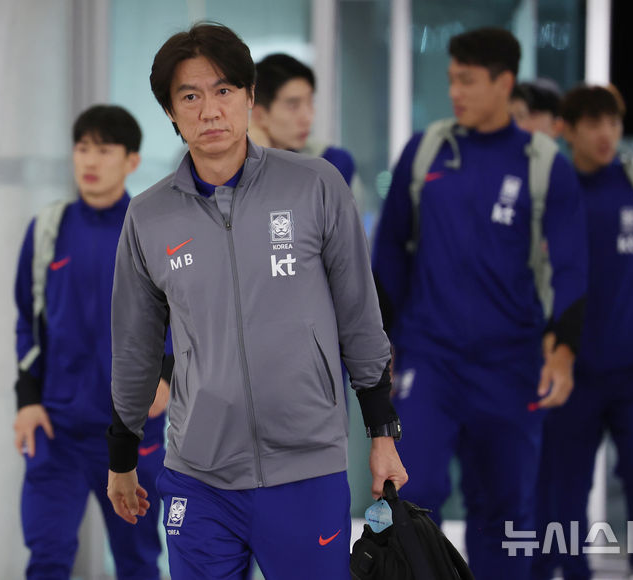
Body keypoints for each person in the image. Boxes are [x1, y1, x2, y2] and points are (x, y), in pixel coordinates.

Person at [105, 23, 407, 580]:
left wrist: (382, 433)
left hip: (305, 469)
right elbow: (134, 347)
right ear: (171, 113)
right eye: (189, 96)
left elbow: (360, 317)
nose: (209, 110)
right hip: (198, 474)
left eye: (223, 91)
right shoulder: (148, 217)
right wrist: (122, 456)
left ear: (249, 97)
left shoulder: (316, 185)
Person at [371, 28, 587, 580]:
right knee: (412, 491)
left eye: (467, 80)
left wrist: (562, 348)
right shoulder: (426, 152)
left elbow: (570, 265)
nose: (455, 92)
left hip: (511, 366)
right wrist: (383, 340)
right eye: (451, 79)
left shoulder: (544, 166)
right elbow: (390, 251)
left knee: (506, 510)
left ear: (503, 82)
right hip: (430, 356)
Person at [13, 105, 171, 579]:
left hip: (133, 432)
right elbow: (28, 319)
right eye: (83, 148)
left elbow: (189, 321)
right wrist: (26, 399)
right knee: (47, 557)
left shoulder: (152, 230)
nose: (91, 160)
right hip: (56, 430)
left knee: (137, 560)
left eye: (105, 149)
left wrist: (167, 377)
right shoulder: (47, 231)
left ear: (132, 161)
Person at [533, 85, 633, 580]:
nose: (606, 134)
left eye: (613, 122)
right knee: (565, 484)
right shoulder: (554, 191)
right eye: (593, 123)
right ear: (567, 131)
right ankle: (575, 572)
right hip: (573, 370)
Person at [250, 53, 356, 186]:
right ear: (259, 116)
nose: (308, 118)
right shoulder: (233, 167)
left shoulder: (332, 162)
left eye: (310, 102)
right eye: (293, 106)